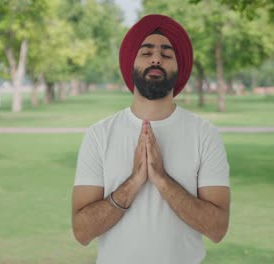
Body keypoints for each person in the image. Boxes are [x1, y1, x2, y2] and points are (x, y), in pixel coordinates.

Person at [71, 14, 230, 264]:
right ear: (130, 62)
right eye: (146, 53)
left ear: (179, 68)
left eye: (166, 54)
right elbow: (81, 232)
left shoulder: (205, 135)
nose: (156, 58)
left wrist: (162, 180)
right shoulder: (99, 135)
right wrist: (134, 182)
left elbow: (217, 229)